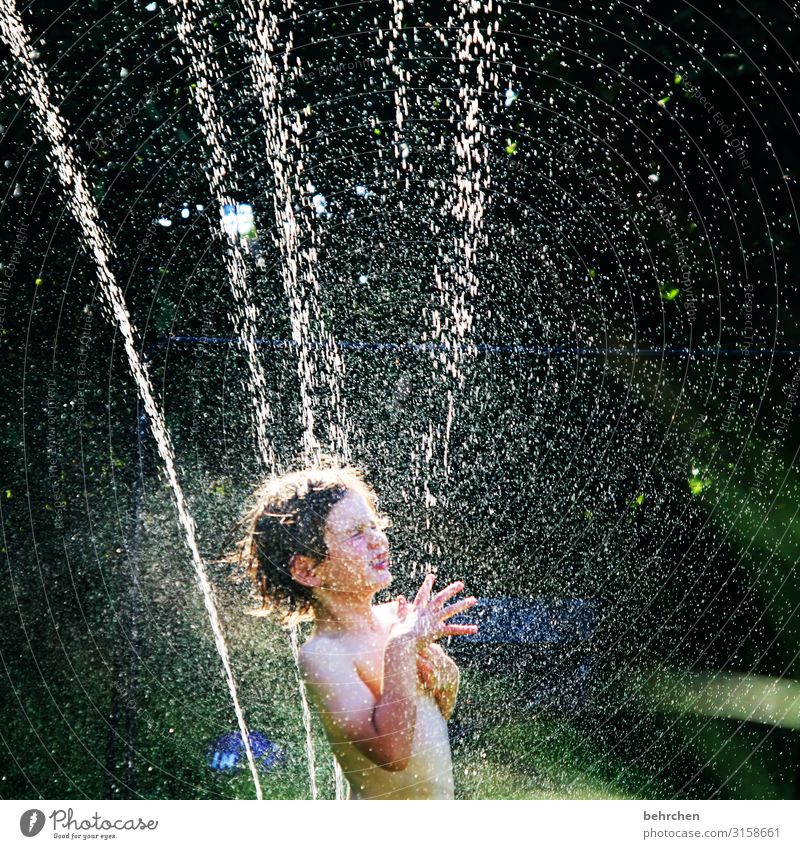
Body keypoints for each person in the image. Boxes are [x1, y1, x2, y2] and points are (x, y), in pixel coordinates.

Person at [228, 465, 478, 799]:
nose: (378, 540)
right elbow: (393, 754)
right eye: (356, 533)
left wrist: (447, 679)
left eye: (374, 525)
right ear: (308, 570)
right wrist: (401, 647)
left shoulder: (397, 618)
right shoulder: (326, 654)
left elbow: (433, 716)